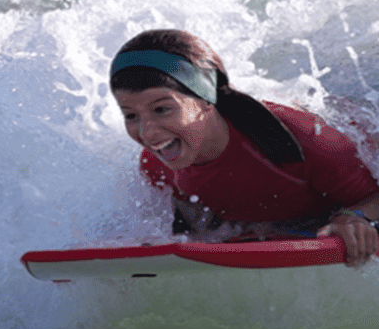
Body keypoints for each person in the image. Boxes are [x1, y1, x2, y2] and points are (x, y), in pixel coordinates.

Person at [109, 29, 379, 267]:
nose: (148, 133)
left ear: (206, 99)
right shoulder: (157, 164)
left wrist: (353, 218)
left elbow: (371, 198)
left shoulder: (301, 139)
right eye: (131, 115)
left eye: (162, 109)